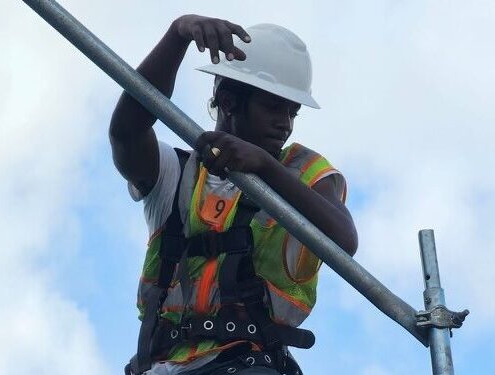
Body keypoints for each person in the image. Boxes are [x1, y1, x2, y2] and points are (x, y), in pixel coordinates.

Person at [109, 14, 358, 375]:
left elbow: (344, 240)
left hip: (248, 364)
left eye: (292, 112)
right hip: (160, 366)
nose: (285, 123)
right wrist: (177, 36)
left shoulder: (304, 174)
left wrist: (266, 168)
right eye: (273, 107)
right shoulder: (175, 175)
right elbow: (126, 132)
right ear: (228, 102)